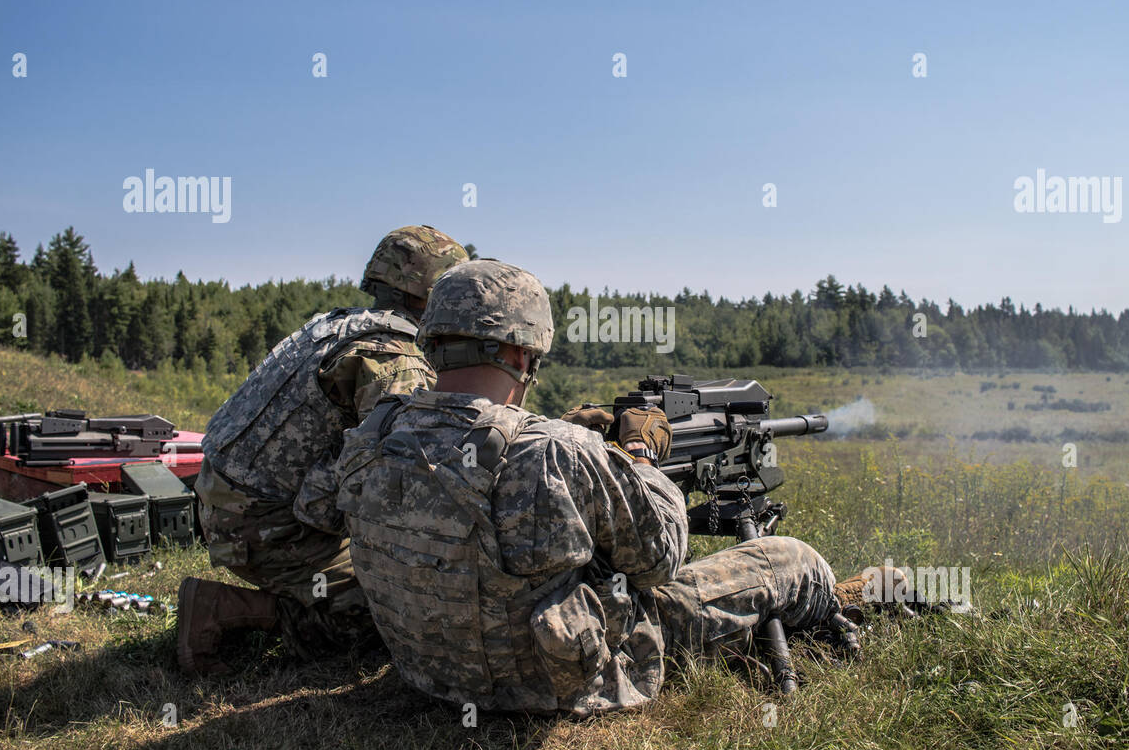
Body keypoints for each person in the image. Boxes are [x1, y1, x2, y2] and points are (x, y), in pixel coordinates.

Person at [335, 258, 889, 715]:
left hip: (430, 676)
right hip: (554, 684)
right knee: (792, 559)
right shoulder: (555, 451)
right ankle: (847, 597)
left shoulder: (374, 433)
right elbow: (661, 558)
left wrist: (585, 449)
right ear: (522, 352)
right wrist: (640, 457)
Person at [177, 226, 468, 675]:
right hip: (268, 528)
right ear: (436, 295)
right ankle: (223, 609)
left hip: (229, 502)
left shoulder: (336, 325)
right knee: (399, 620)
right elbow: (398, 477)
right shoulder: (395, 357)